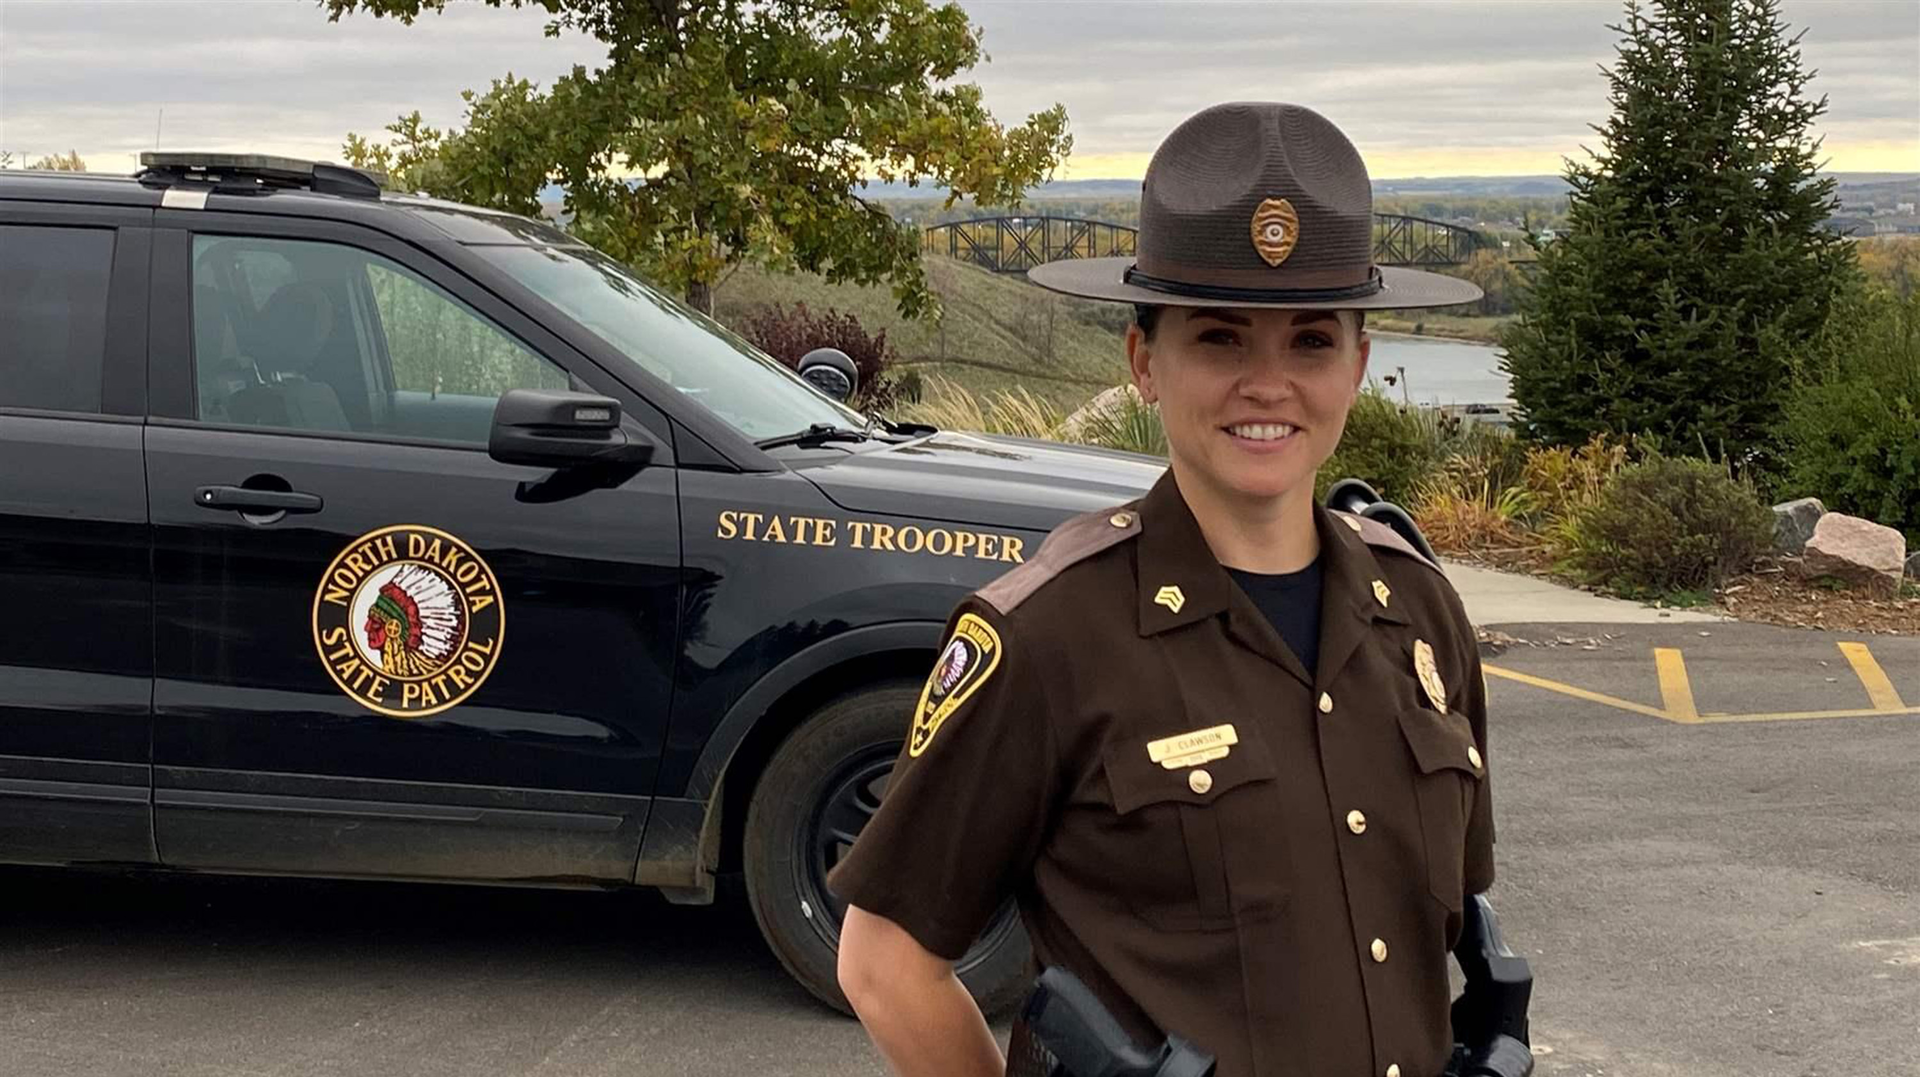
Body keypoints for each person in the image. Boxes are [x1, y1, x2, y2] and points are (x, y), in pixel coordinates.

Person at [830, 101, 1497, 1077]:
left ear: (1358, 365)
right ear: (1146, 361)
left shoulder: (1421, 612)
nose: (1268, 384)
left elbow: (1446, 925)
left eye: (1310, 341)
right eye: (1222, 339)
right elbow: (886, 965)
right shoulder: (1052, 634)